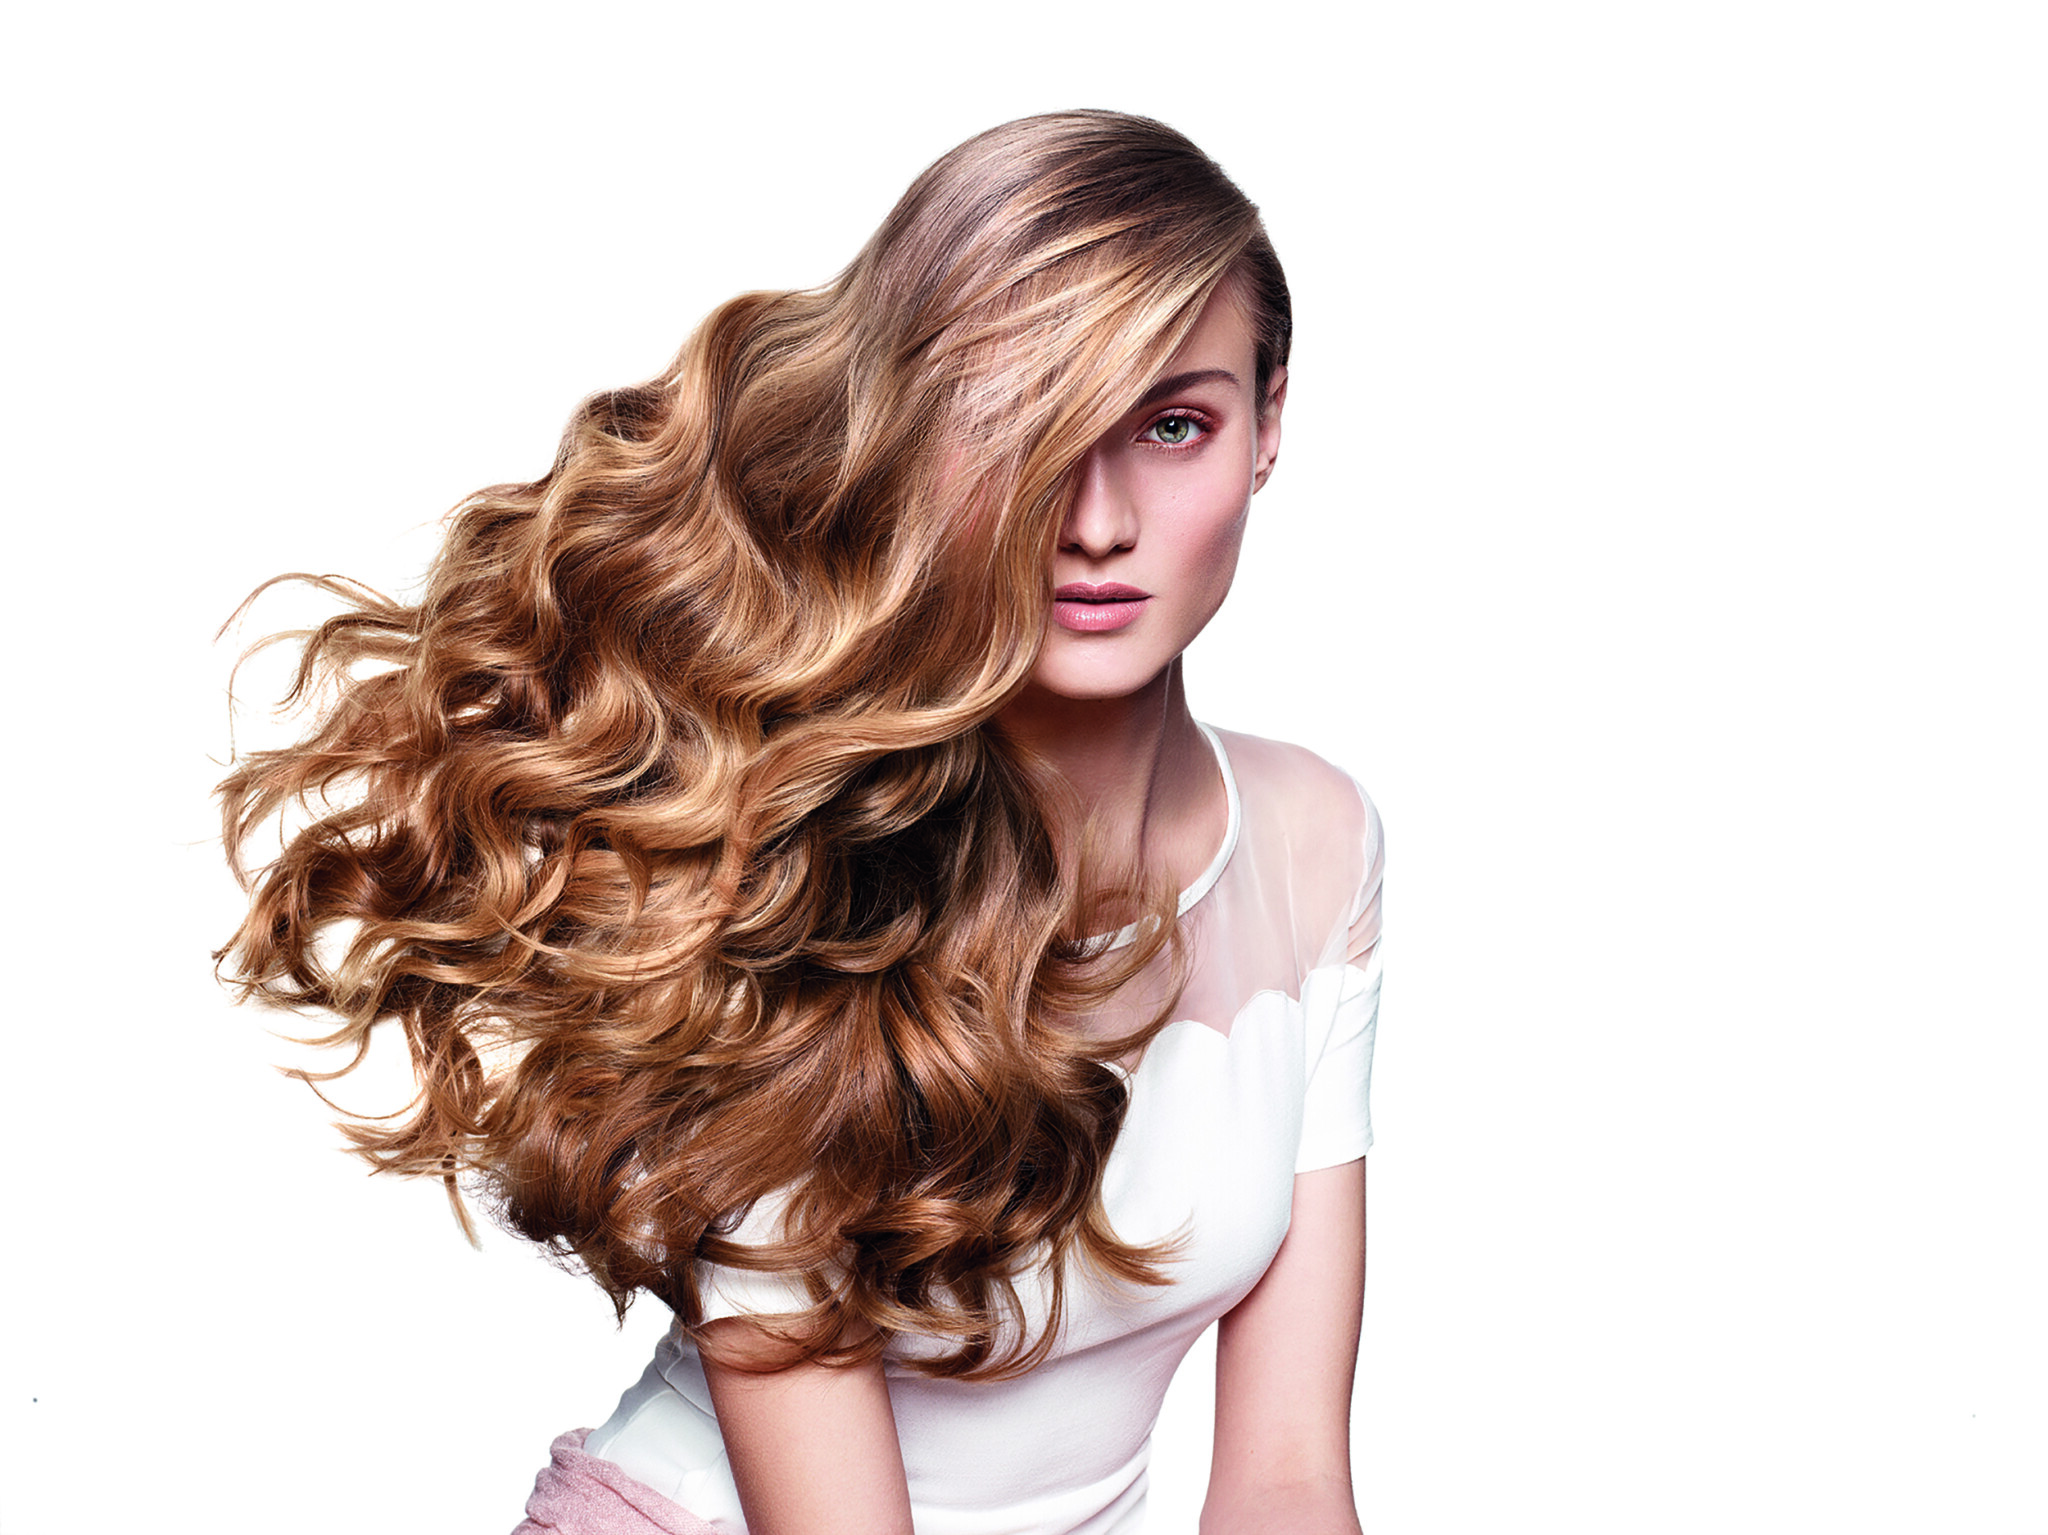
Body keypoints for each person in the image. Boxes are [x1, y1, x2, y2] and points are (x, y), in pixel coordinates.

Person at [218, 110, 1383, 1535]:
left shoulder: (1318, 846)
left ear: (1270, 427)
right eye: (1020, 420)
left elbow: (1286, 1476)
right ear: (918, 433)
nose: (1095, 521)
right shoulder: (786, 864)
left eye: (1175, 426)